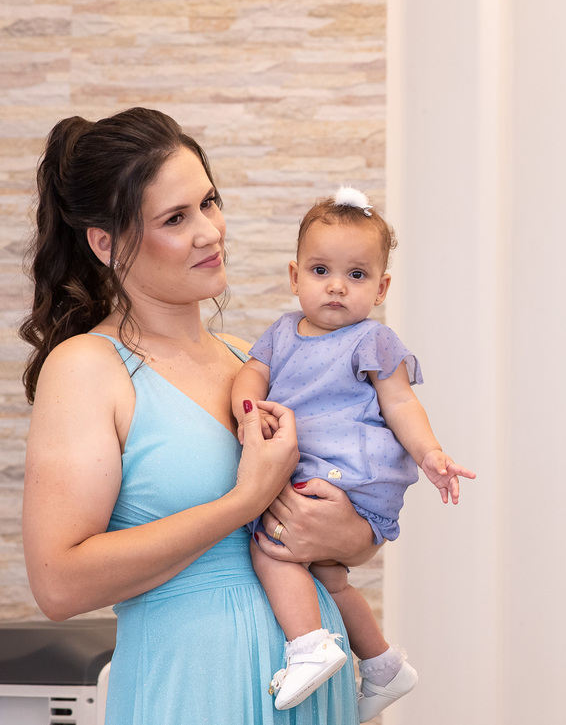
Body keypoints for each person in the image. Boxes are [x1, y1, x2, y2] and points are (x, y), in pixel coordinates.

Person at [20, 107, 377, 724]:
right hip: (193, 689)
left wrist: (351, 532)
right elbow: (59, 584)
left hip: (319, 693)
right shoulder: (88, 368)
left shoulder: (253, 361)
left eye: (209, 203)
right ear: (106, 243)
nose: (210, 231)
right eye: (176, 219)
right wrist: (243, 502)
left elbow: (343, 535)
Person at [230, 188, 475, 717]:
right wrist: (247, 406)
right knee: (328, 575)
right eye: (321, 270)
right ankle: (384, 666)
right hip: (322, 467)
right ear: (294, 276)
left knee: (269, 546)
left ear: (382, 287)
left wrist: (431, 454)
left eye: (357, 276)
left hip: (349, 470)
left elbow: (401, 402)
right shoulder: (279, 334)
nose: (337, 286)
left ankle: (310, 646)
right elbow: (251, 374)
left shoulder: (374, 339)